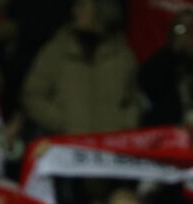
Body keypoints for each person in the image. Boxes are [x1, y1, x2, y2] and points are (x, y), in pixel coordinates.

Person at [20, 0, 140, 135]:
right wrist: (61, 122)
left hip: (110, 144)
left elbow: (132, 101)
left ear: (102, 8)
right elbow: (33, 94)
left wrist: (124, 125)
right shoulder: (57, 51)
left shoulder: (121, 55)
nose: (76, 11)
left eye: (82, 5)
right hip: (71, 144)